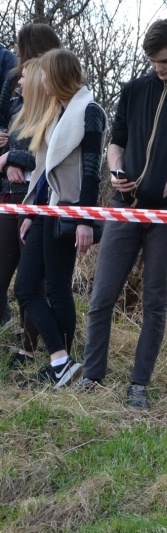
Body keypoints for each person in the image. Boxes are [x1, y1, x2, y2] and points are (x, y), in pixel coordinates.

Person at [74, 20, 167, 409]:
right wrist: (116, 168)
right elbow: (115, 141)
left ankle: (139, 385)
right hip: (124, 210)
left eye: (166, 61)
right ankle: (91, 375)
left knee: (155, 301)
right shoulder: (134, 89)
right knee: (102, 295)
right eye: (153, 62)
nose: (159, 68)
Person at [14, 49, 106, 387]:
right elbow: (42, 170)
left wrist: (84, 217)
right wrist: (29, 210)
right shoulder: (58, 111)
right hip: (45, 209)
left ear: (59, 76)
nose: (41, 80)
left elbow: (92, 169)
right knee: (25, 287)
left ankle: (60, 362)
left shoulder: (90, 111)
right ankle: (61, 361)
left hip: (68, 211)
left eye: (46, 74)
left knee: (56, 288)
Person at [0, 24, 61, 368]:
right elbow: (9, 128)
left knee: (33, 279)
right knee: (7, 270)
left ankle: (29, 348)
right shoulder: (13, 80)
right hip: (10, 192)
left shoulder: (56, 86)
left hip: (39, 193)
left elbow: (48, 145)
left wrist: (13, 157)